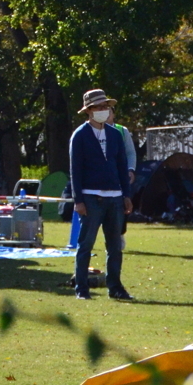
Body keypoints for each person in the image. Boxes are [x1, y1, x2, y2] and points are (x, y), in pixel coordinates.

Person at [69, 93, 133, 300]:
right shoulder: (80, 135)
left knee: (115, 246)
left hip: (115, 197)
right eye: (98, 107)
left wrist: (126, 195)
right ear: (88, 110)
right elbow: (75, 170)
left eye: (105, 106)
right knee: (85, 244)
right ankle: (82, 288)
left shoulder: (115, 135)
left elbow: (122, 166)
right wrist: (78, 200)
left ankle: (115, 287)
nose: (103, 110)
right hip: (90, 197)